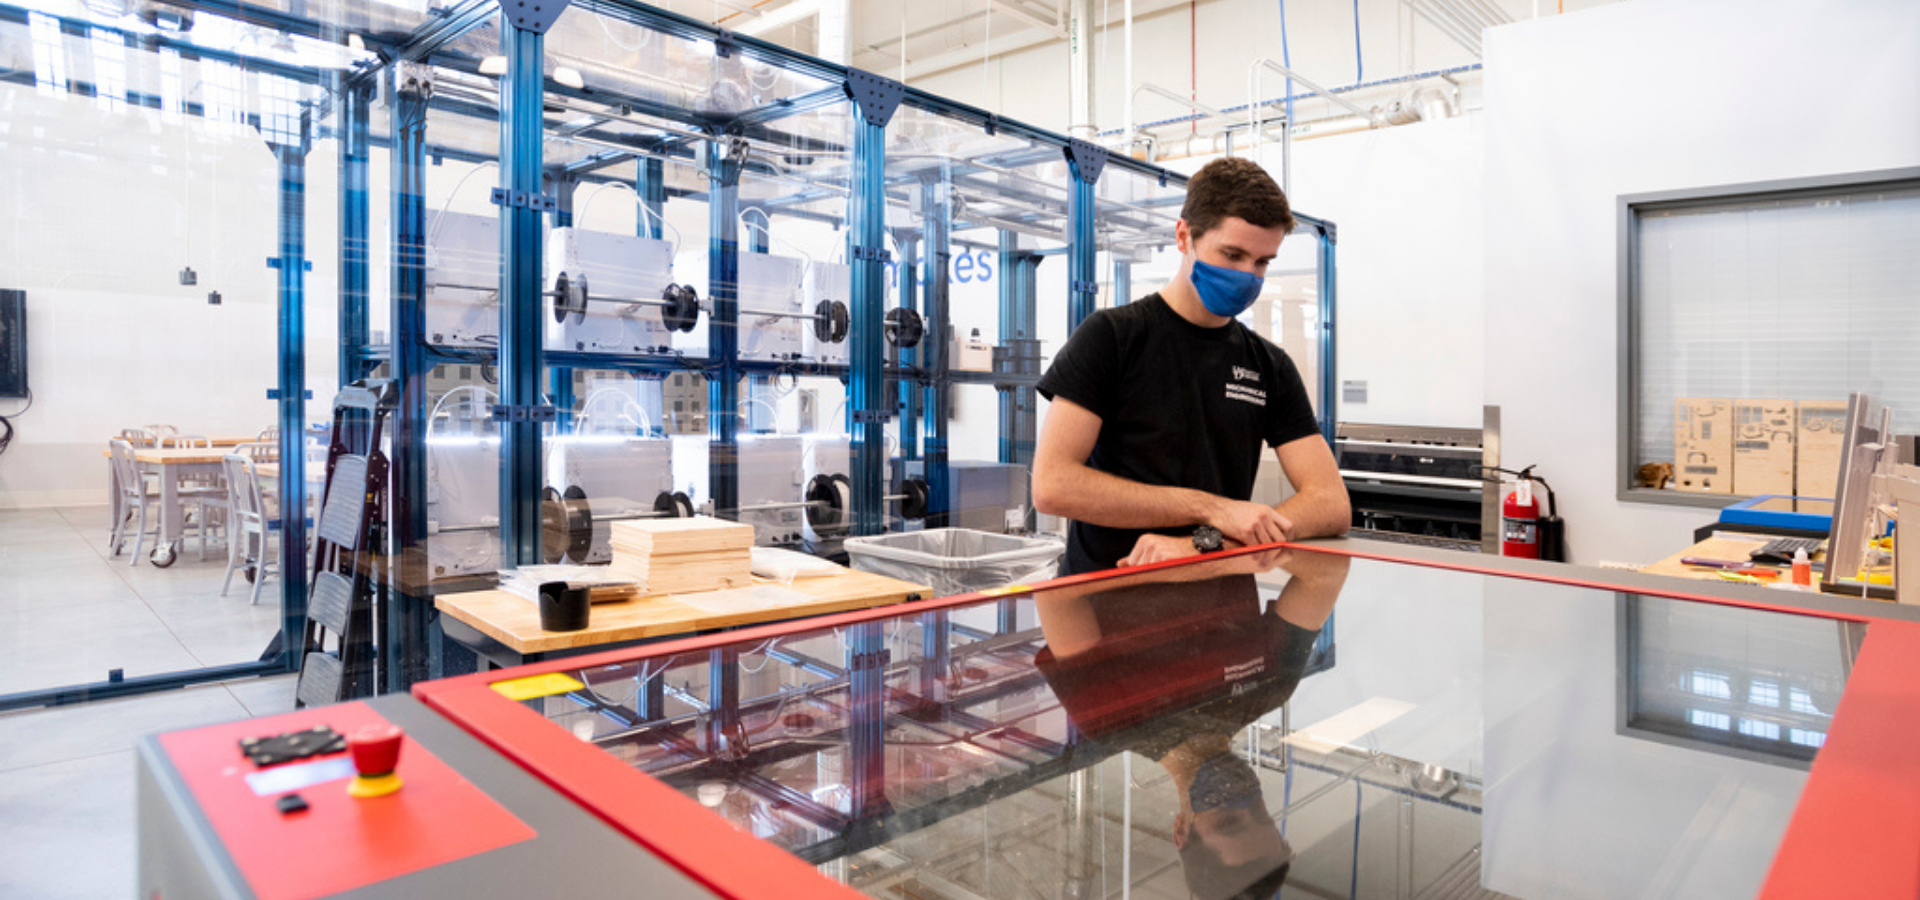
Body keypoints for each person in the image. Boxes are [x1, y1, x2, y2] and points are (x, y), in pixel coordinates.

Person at [1033, 157, 1350, 575]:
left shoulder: (1269, 365)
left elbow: (1331, 502)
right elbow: (1053, 486)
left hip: (1224, 615)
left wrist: (1206, 543)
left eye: (1261, 262)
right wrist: (1213, 509)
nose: (1247, 275)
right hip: (1109, 600)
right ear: (1184, 236)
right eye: (1232, 254)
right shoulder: (1112, 337)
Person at [1034, 548, 1348, 900]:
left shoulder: (1113, 720)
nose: (1244, 801)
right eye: (1261, 815)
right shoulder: (1270, 687)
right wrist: (1202, 549)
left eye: (1229, 823)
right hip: (1215, 501)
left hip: (1116, 517)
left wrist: (1189, 558)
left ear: (1180, 831)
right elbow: (1329, 570)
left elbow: (1056, 597)